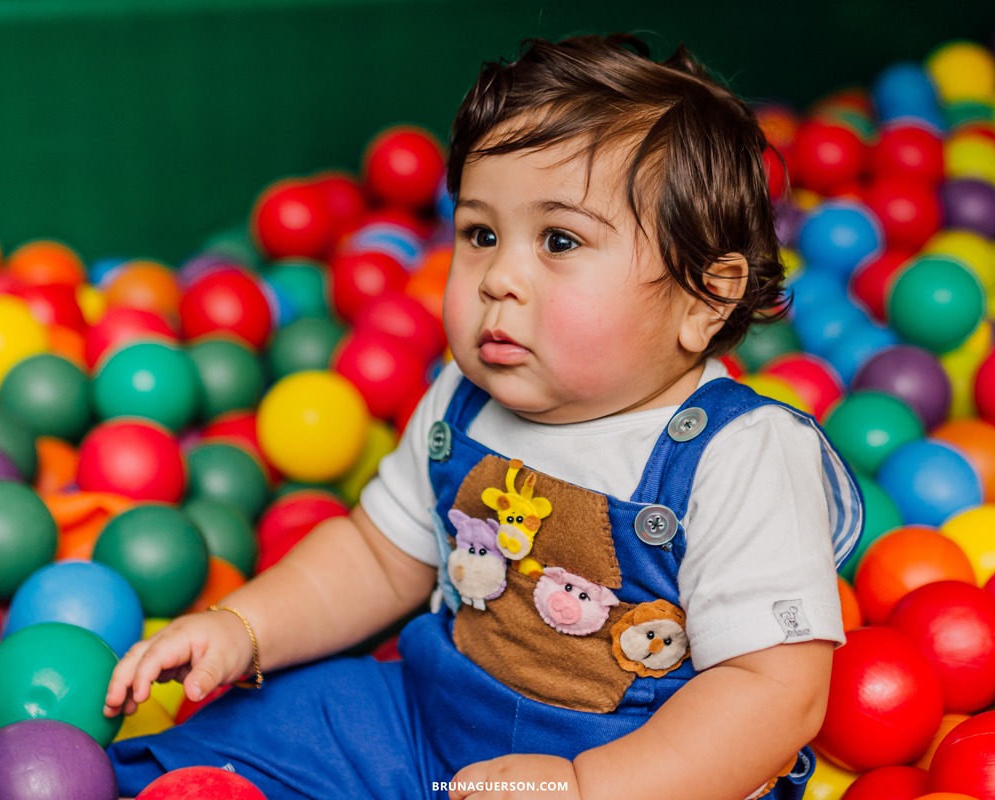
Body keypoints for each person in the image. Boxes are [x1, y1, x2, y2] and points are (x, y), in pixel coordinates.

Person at [105, 33, 862, 800]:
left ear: (705, 298)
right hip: (425, 718)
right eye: (480, 233)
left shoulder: (745, 454)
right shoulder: (463, 400)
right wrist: (245, 627)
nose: (499, 276)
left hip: (638, 762)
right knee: (270, 720)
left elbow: (772, 690)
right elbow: (377, 557)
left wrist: (585, 784)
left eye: (559, 240)